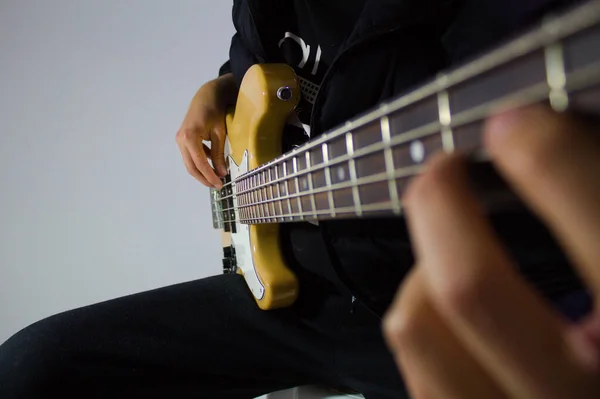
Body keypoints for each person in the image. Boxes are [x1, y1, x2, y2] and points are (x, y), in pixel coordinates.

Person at [0, 0, 596, 398]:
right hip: (290, 295)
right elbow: (265, 61)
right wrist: (221, 88)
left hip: (455, 305)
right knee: (34, 370)